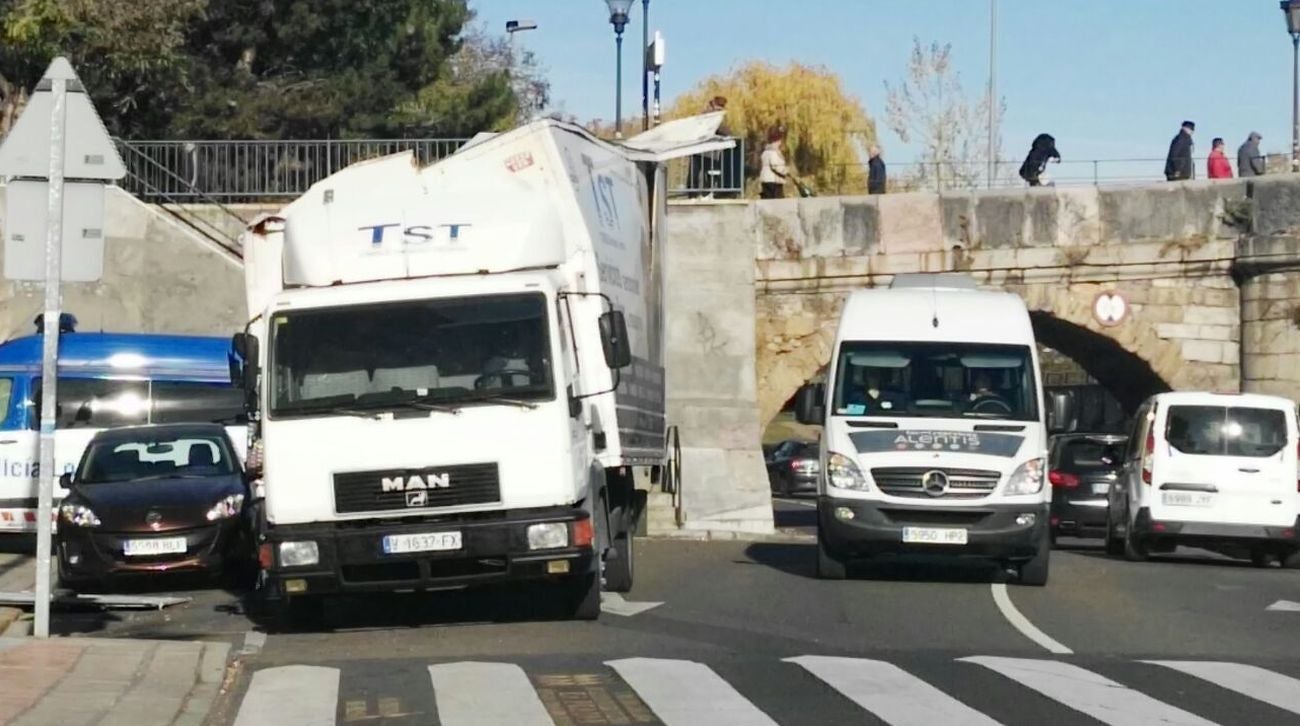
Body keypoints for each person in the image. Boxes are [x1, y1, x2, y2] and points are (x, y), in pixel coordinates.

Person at [759, 128, 790, 199]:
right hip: (773, 180)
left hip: (765, 179)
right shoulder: (773, 152)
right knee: (777, 201)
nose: (780, 143)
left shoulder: (765, 152)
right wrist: (785, 171)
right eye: (779, 141)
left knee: (767, 199)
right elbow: (775, 166)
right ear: (777, 141)